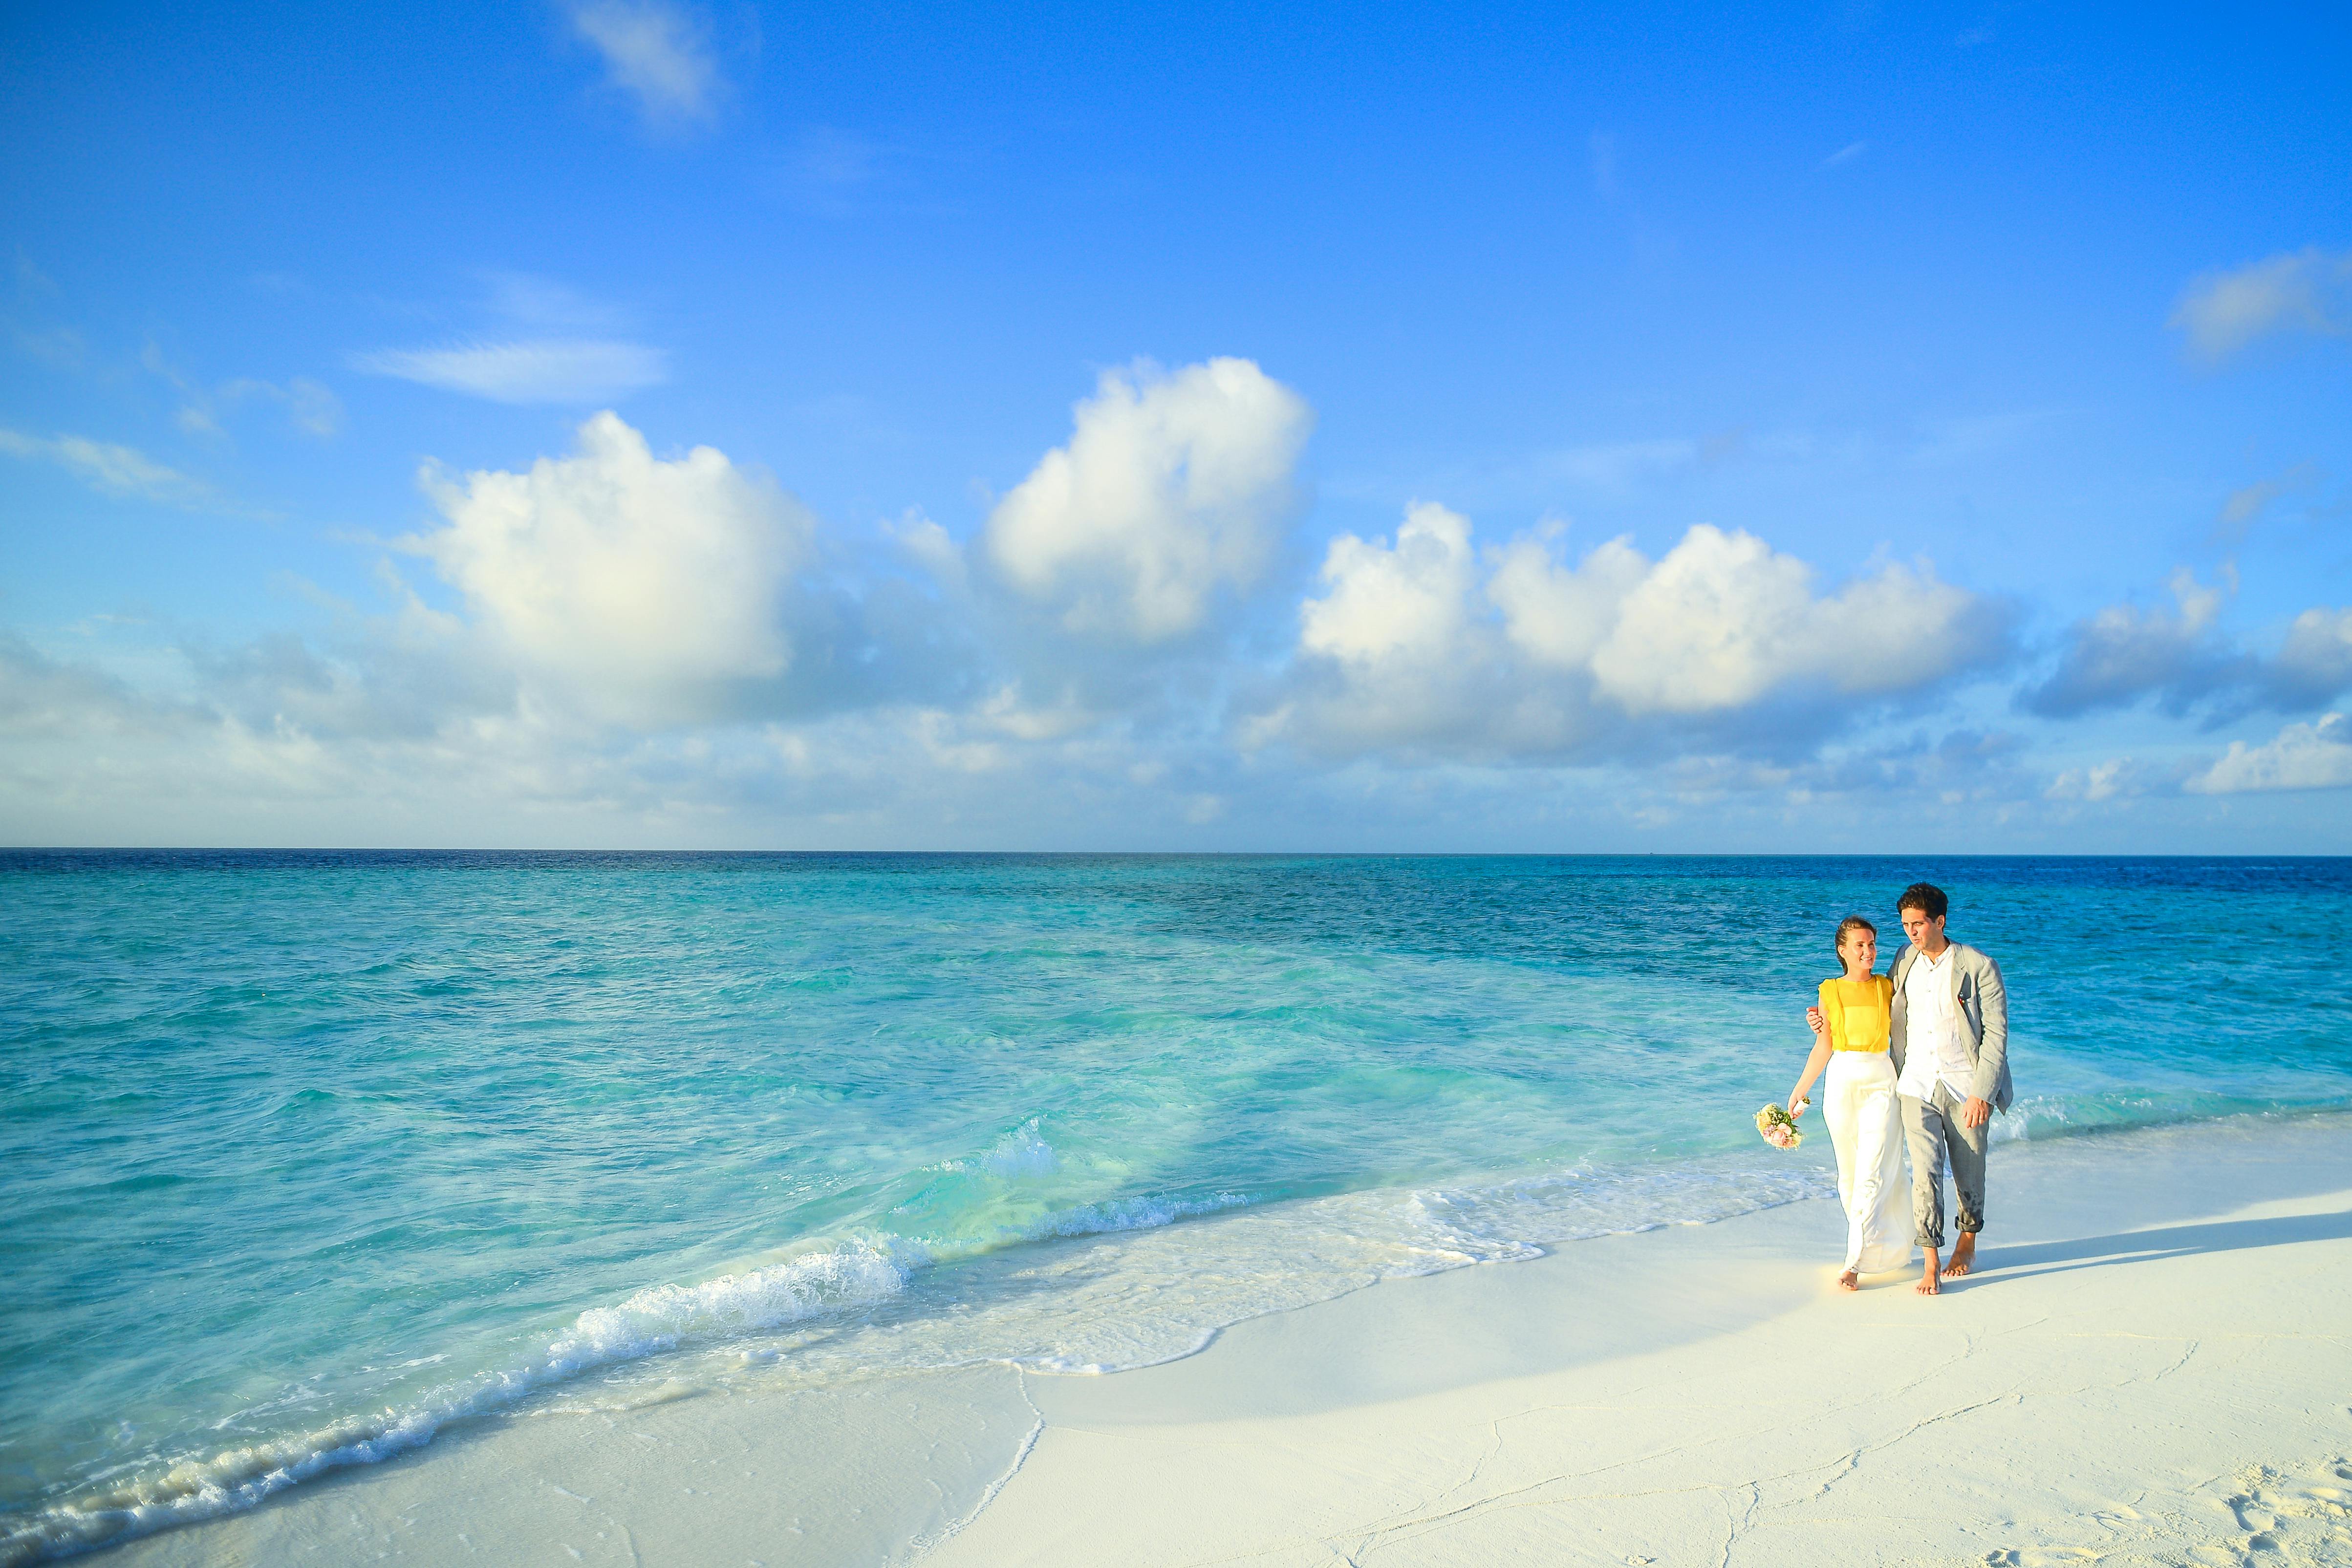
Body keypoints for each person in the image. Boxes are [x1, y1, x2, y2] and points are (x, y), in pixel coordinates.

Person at [1884, 881, 2011, 1295]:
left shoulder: (1978, 965)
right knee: (1924, 1171)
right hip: (1916, 1083)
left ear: (1940, 920)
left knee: (1969, 1171)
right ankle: (1931, 1258)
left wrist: (1983, 1092)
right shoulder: (1904, 960)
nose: (1911, 933)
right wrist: (1826, 1022)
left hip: (1964, 1084)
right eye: (1905, 925)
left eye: (1918, 924)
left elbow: (1995, 1035)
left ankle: (1968, 1238)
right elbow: (1877, 1004)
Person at [1784, 916, 1911, 1290]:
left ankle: (1853, 1261)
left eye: (1871, 944)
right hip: (1840, 1081)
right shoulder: (1829, 991)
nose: (1868, 951)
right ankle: (1873, 1244)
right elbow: (1824, 1045)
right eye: (1859, 945)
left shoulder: (1886, 987)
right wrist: (1799, 1090)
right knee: (1849, 1178)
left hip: (1881, 1081)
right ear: (1842, 951)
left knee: (1873, 1172)